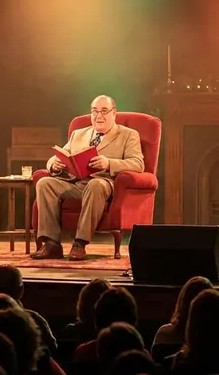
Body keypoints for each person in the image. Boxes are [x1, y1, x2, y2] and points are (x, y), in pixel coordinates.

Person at [31, 95, 144, 261]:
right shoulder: (78, 134)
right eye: (95, 111)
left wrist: (108, 163)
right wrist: (53, 165)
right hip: (75, 182)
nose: (99, 116)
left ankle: (80, 243)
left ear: (114, 113)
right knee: (44, 183)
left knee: (95, 185)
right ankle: (51, 244)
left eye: (104, 111)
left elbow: (138, 164)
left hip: (103, 183)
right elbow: (59, 156)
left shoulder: (128, 135)